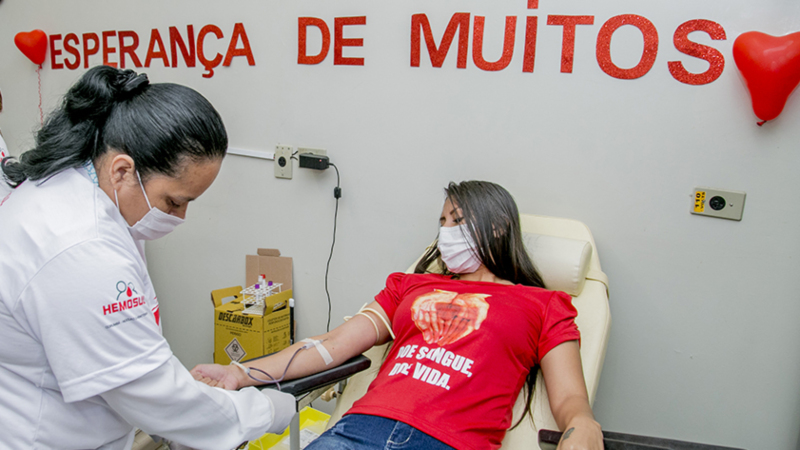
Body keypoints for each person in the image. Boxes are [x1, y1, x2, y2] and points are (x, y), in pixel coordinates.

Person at [0, 66, 295, 450]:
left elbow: (133, 365)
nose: (180, 217)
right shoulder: (79, 246)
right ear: (123, 170)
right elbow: (149, 392)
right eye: (173, 201)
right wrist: (265, 411)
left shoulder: (87, 192)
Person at [191, 181, 603, 450]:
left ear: (497, 227)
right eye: (442, 222)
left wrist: (582, 426)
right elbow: (331, 344)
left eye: (458, 221)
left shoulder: (543, 304)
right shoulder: (409, 285)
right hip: (357, 432)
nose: (445, 232)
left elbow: (571, 399)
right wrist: (239, 373)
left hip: (451, 442)